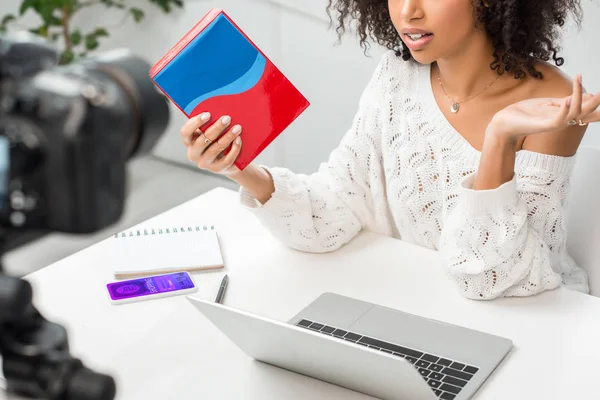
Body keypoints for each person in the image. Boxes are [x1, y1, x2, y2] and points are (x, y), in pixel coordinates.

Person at [180, 0, 600, 300]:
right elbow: (334, 211)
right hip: (419, 305)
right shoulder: (397, 76)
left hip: (535, 323)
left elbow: (496, 279)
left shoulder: (554, 102)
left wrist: (500, 137)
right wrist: (240, 168)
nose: (407, 12)